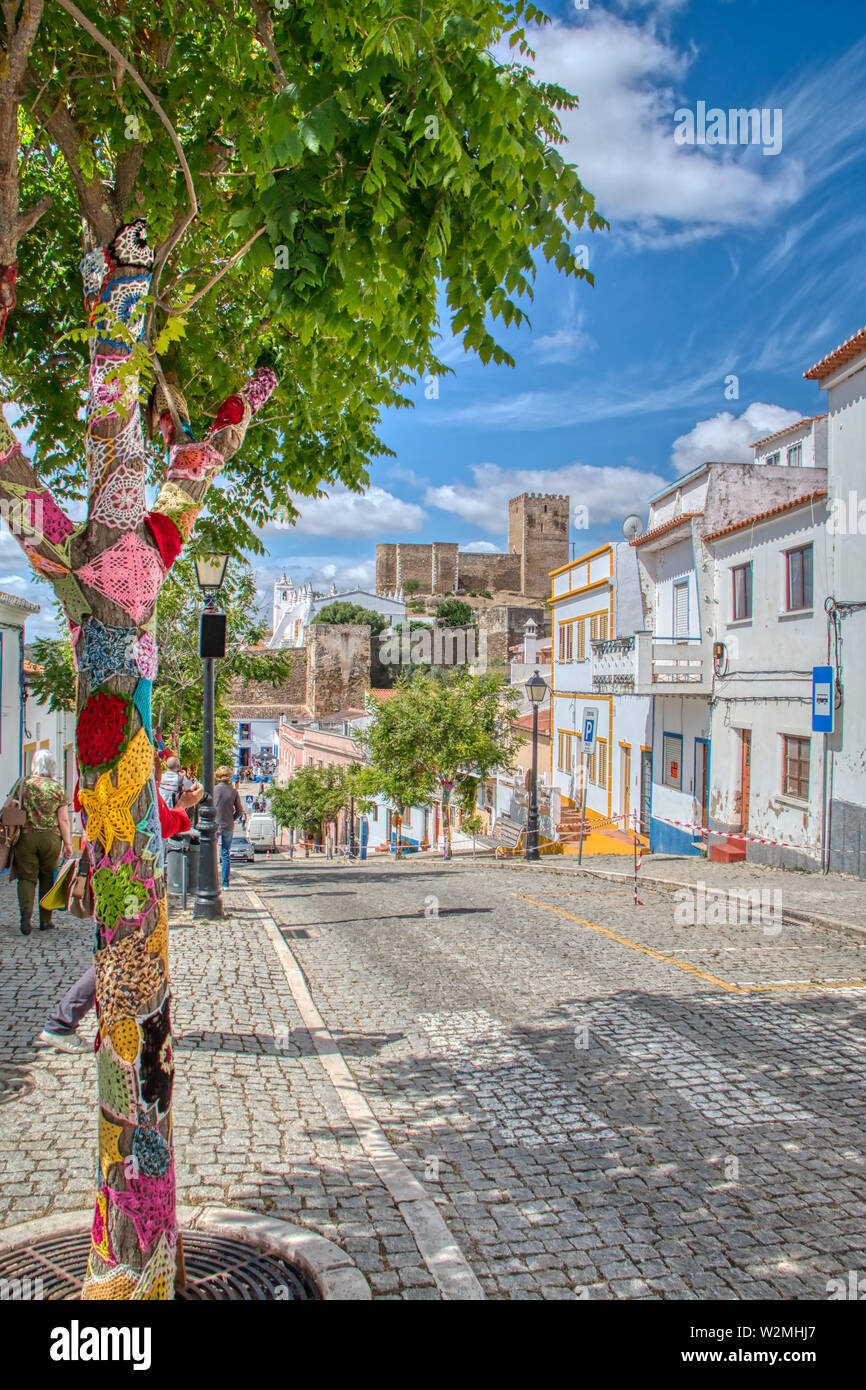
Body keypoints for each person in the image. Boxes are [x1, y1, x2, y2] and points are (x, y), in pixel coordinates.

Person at [37, 757, 202, 1053]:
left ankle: (115, 1021)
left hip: (108, 873)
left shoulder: (94, 772)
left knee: (118, 950)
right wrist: (186, 804)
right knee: (120, 952)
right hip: (128, 879)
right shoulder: (133, 777)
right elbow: (161, 823)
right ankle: (63, 1022)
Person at [9, 750, 73, 935]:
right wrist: (68, 844)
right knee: (47, 877)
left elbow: (13, 807)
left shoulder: (23, 784)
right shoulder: (57, 788)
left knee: (27, 878)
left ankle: (26, 917)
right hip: (51, 839)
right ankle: (45, 920)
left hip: (26, 837)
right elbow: (63, 820)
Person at [214, 765, 245, 887]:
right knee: (225, 853)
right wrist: (231, 819)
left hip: (214, 824)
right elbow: (239, 811)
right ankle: (225, 883)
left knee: (212, 852)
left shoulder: (213, 789)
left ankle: (212, 880)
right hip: (228, 825)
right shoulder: (233, 792)